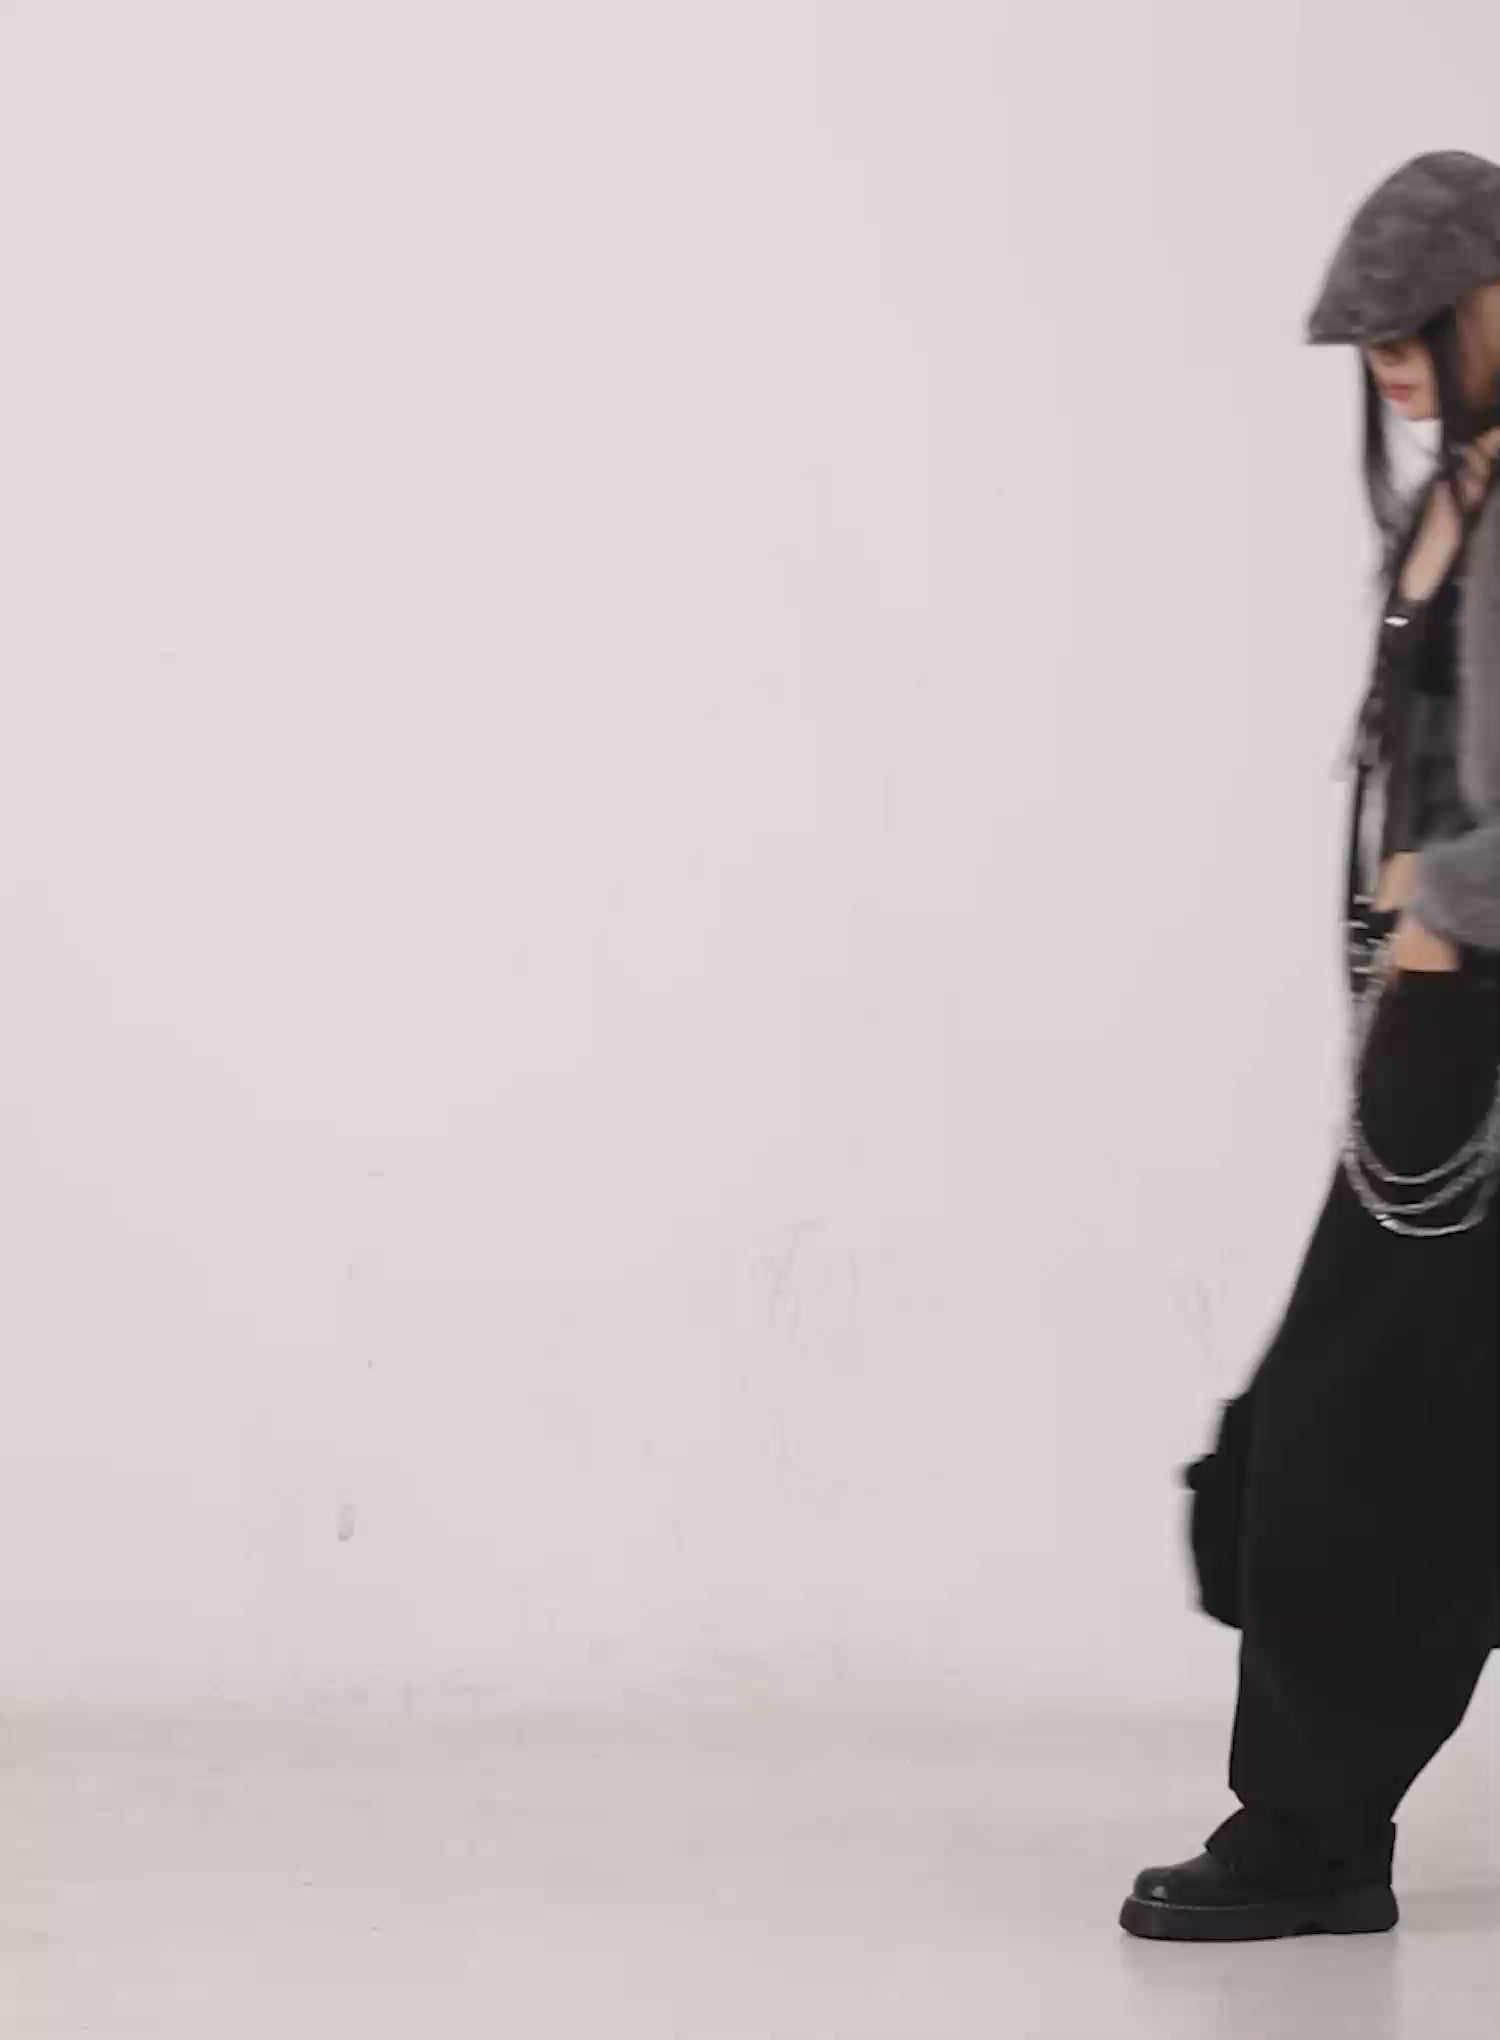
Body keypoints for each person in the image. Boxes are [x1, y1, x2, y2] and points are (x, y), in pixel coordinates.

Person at [1119, 150, 1500, 1943]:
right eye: (1373, 347)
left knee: (1349, 1440)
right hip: (1438, 1029)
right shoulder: (1462, 489)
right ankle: (1317, 1827)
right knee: (1360, 1430)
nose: (1392, 367)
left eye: (1414, 330)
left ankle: (1309, 1835)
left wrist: (1442, 909)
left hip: (1476, 1028)